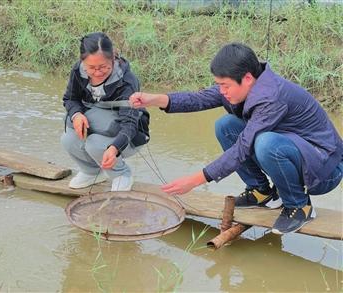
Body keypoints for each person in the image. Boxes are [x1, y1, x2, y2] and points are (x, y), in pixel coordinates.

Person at [129, 42, 342, 234]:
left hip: (325, 169)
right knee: (226, 126)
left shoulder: (271, 98)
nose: (222, 91)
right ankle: (261, 192)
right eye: (219, 85)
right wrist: (154, 99)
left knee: (266, 143)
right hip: (294, 150)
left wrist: (193, 180)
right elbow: (198, 98)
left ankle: (299, 205)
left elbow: (243, 148)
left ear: (247, 78)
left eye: (225, 85)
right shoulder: (243, 86)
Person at [61, 32, 149, 192]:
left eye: (103, 67)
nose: (97, 72)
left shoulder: (127, 81)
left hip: (128, 135)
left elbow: (130, 124)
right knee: (68, 139)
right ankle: (91, 171)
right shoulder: (78, 71)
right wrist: (77, 115)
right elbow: (70, 99)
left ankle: (121, 174)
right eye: (91, 68)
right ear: (83, 62)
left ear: (113, 60)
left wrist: (114, 148)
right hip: (96, 124)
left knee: (94, 144)